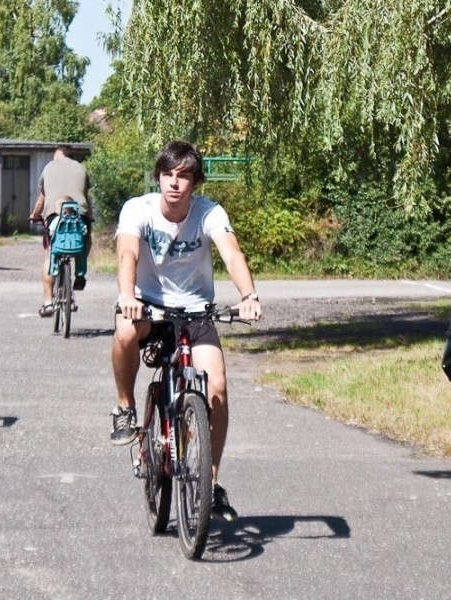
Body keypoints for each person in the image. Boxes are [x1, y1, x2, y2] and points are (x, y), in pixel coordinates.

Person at [112, 140, 262, 522]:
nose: (174, 183)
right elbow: (127, 253)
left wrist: (248, 295)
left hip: (196, 312)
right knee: (125, 331)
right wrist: (127, 296)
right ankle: (125, 407)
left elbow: (232, 253)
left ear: (194, 182)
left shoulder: (209, 212)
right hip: (148, 305)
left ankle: (210, 484)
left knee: (218, 387)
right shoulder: (138, 209)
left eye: (183, 176)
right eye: (167, 174)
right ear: (158, 177)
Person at [30, 145, 92, 317]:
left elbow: (42, 197)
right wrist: (90, 217)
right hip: (80, 213)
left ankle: (48, 303)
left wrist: (34, 215)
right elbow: (85, 197)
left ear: (60, 154)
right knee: (86, 237)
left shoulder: (48, 167)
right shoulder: (82, 168)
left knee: (49, 254)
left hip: (54, 214)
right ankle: (80, 273)